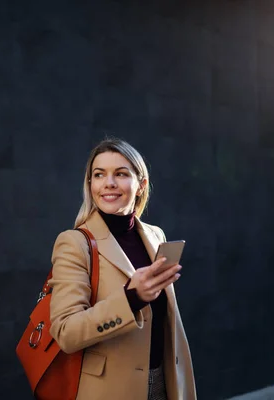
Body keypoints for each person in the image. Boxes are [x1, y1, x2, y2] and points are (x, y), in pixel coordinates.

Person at [48, 138, 196, 400]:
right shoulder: (75, 243)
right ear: (90, 184)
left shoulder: (155, 236)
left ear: (141, 185)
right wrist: (132, 297)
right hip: (110, 390)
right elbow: (66, 333)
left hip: (165, 382)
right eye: (99, 174)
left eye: (121, 173)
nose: (109, 183)